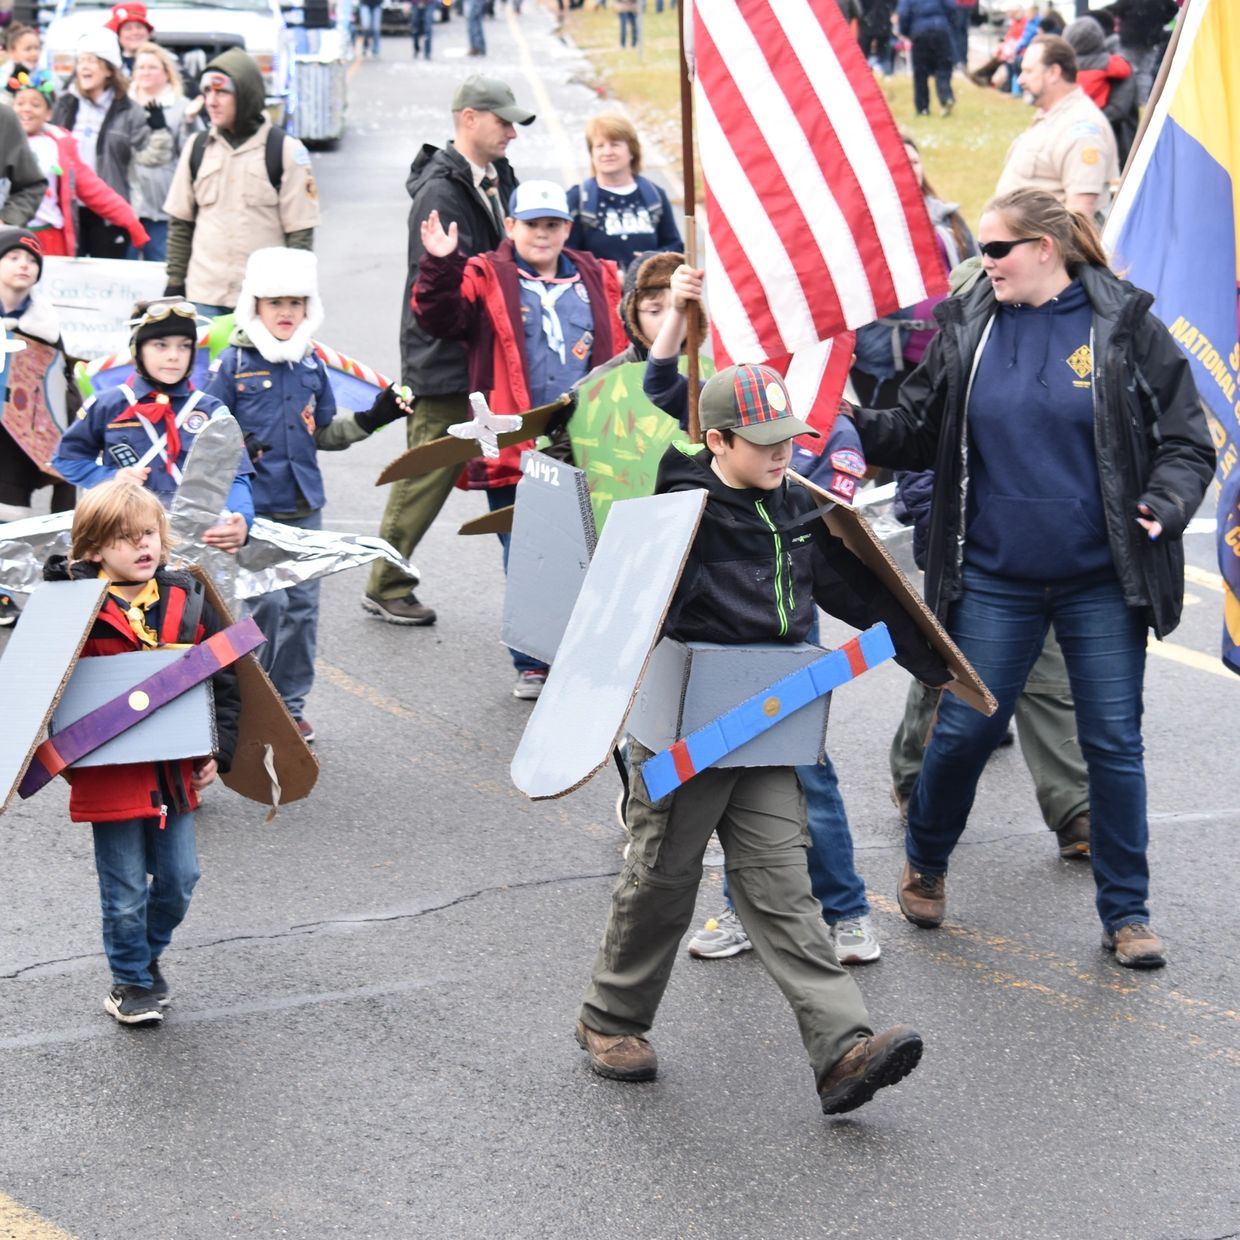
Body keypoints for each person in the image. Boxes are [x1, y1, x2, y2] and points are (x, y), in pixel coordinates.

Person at [844, 188, 1215, 969]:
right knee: (968, 730)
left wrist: (1166, 504)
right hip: (993, 577)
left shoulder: (1125, 328)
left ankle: (1127, 913)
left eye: (997, 249)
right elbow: (915, 431)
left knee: (1113, 745)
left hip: (1101, 581)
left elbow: (1187, 440)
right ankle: (928, 858)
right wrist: (845, 416)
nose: (984, 262)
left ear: (1046, 248)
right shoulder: (968, 327)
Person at [575, 362, 949, 1112]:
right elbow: (625, 624)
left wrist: (932, 657)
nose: (783, 454)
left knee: (782, 885)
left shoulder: (794, 510)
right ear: (716, 440)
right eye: (764, 442)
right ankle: (609, 1020)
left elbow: (859, 591)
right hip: (690, 729)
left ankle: (842, 1050)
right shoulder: (679, 517)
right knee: (662, 881)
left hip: (771, 722)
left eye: (790, 439)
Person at [641, 264, 886, 966]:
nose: (781, 443)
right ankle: (740, 908)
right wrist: (678, 317)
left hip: (787, 638)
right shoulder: (723, 427)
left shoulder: (820, 434)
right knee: (725, 779)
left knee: (806, 775)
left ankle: (845, 909)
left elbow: (841, 551)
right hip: (720, 648)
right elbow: (664, 389)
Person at [414, 179, 625, 698]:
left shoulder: (598, 276)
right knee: (526, 552)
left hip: (587, 441)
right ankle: (532, 660)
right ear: (511, 226)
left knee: (591, 549)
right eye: (532, 224)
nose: (542, 234)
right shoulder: (487, 273)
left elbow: (626, 342)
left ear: (566, 229)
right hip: (514, 444)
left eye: (552, 224)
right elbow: (440, 317)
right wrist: (440, 265)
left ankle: (582, 650)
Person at [43, 479, 240, 1026]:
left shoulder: (187, 599)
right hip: (109, 776)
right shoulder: (72, 610)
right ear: (94, 551)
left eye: (149, 533)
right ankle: (129, 980)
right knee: (125, 889)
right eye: (126, 539)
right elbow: (43, 692)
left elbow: (222, 680)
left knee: (180, 879)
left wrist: (216, 749)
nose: (143, 546)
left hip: (174, 772)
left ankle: (145, 959)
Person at [203, 248, 411, 741]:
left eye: (296, 301)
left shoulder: (312, 363)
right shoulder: (232, 363)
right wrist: (234, 443)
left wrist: (373, 417)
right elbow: (205, 429)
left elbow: (324, 433)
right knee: (265, 606)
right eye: (275, 301)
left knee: (302, 610)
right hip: (252, 509)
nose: (285, 312)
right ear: (255, 305)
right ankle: (250, 698)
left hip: (304, 505)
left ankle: (289, 706)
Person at [368, 74, 534, 627]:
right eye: (502, 120)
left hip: (481, 357)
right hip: (443, 361)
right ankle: (385, 582)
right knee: (426, 477)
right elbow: (436, 293)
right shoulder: (443, 192)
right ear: (469, 118)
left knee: (483, 471)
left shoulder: (492, 176)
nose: (511, 130)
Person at [52, 298, 255, 548]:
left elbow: (235, 473)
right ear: (138, 349)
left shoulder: (212, 409)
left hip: (195, 540)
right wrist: (111, 477)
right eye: (161, 345)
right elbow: (67, 459)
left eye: (184, 347)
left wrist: (243, 519)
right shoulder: (108, 404)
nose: (173, 356)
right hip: (124, 537)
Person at [163, 50, 321, 317]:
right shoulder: (198, 147)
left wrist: (293, 296)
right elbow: (181, 224)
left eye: (221, 92)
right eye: (207, 93)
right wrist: (174, 284)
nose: (211, 102)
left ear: (245, 96)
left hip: (264, 300)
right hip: (205, 296)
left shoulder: (284, 150)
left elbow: (300, 232)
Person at [851, 133, 976, 408]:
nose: (911, 168)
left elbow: (977, 271)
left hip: (947, 350)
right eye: (901, 162)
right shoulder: (863, 223)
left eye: (916, 161)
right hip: (887, 357)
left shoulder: (947, 216)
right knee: (893, 437)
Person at [0, 228, 78, 626]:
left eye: (31, 260)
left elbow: (60, 382)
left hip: (21, 437)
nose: (24, 265)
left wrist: (74, 432)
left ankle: (17, 590)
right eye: (13, 257)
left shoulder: (43, 324)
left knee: (16, 514)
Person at [13, 71, 149, 258]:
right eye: (20, 103)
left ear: (49, 113)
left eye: (35, 104)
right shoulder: (5, 140)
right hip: (9, 235)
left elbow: (93, 189)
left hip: (50, 239)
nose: (26, 109)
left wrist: (131, 222)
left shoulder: (59, 144)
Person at [50, 28, 152, 259]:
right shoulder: (65, 104)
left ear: (108, 69)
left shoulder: (129, 110)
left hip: (109, 209)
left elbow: (146, 158)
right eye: (81, 61)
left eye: (92, 61)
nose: (84, 67)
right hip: (70, 206)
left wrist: (157, 131)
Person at [995, 35, 1120, 220]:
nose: (1020, 80)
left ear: (1054, 72)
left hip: (1043, 247)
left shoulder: (1081, 128)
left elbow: (1080, 216)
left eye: (1028, 71)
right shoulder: (1051, 116)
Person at [565, 113, 682, 269]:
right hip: (598, 291)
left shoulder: (655, 195)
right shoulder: (578, 198)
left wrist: (654, 261)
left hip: (648, 291)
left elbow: (674, 246)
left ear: (632, 151)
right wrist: (607, 274)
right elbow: (567, 254)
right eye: (600, 146)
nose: (607, 152)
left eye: (615, 144)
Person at [127, 42, 199, 262]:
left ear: (167, 74)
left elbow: (190, 154)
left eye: (152, 67)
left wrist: (189, 121)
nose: (145, 72)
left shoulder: (181, 105)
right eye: (141, 68)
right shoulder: (121, 105)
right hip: (127, 206)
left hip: (163, 207)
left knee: (160, 271)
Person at [1064, 16, 1138, 167]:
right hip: (1088, 140)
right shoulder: (1116, 66)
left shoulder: (1068, 70)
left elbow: (1118, 111)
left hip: (1117, 141)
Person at [1106, 0, 1176, 104]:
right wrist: (1160, 20)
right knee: (1145, 72)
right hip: (1151, 39)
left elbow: (1115, 9)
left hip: (1130, 38)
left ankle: (1126, 102)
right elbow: (1173, 9)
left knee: (1128, 71)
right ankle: (1142, 102)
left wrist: (1124, 19)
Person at [897, 0, 956, 117]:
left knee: (920, 73)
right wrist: (947, 24)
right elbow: (951, 7)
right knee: (943, 67)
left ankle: (923, 107)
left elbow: (903, 14)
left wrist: (906, 31)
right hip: (941, 30)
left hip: (919, 33)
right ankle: (946, 97)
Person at [106, 1, 155, 75]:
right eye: (128, 28)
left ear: (148, 33)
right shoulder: (110, 66)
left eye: (139, 27)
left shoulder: (166, 60)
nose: (135, 32)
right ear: (119, 36)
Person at [0, 23, 41, 102]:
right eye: (28, 49)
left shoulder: (42, 72)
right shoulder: (4, 74)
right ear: (12, 52)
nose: (34, 53)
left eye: (37, 48)